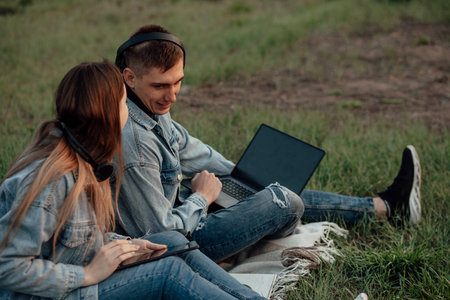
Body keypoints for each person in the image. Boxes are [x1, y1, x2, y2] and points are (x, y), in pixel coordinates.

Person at [113, 24, 421, 262]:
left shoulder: (150, 109)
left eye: (178, 81)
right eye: (161, 86)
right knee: (282, 201)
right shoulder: (136, 145)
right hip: (185, 243)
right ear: (129, 77)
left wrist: (246, 178)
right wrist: (203, 199)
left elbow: (196, 152)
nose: (173, 95)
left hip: (187, 212)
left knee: (268, 187)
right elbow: (163, 233)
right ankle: (259, 234)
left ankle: (384, 208)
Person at [0, 61, 266, 300]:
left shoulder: (87, 158)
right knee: (167, 273)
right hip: (59, 293)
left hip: (78, 277)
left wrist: (126, 247)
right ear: (110, 113)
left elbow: (70, 238)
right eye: (123, 100)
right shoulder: (51, 183)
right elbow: (8, 267)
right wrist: (88, 276)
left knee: (170, 243)